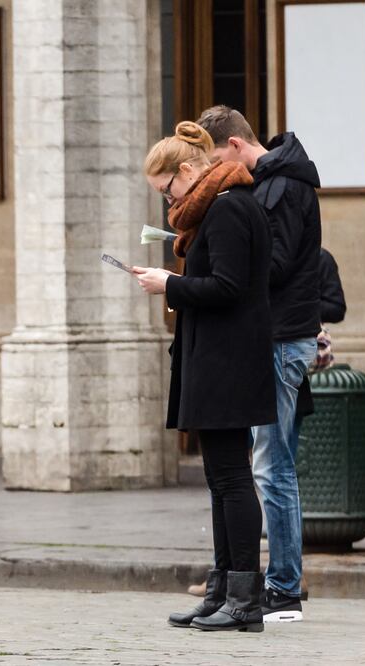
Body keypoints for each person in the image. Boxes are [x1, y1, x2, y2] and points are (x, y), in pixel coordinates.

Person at [135, 121, 275, 632]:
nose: (167, 199)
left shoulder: (230, 207)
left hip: (230, 360)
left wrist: (171, 283)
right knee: (219, 478)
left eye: (167, 188)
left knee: (233, 479)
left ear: (189, 170)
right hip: (214, 356)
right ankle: (222, 590)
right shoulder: (216, 208)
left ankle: (246, 599)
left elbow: (230, 287)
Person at [197, 105, 321, 622]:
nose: (210, 175)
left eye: (210, 162)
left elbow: (273, 265)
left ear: (233, 147)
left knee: (271, 467)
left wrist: (220, 262)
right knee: (261, 465)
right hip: (272, 336)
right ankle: (261, 582)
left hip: (281, 337)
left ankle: (283, 587)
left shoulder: (283, 187)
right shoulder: (272, 185)